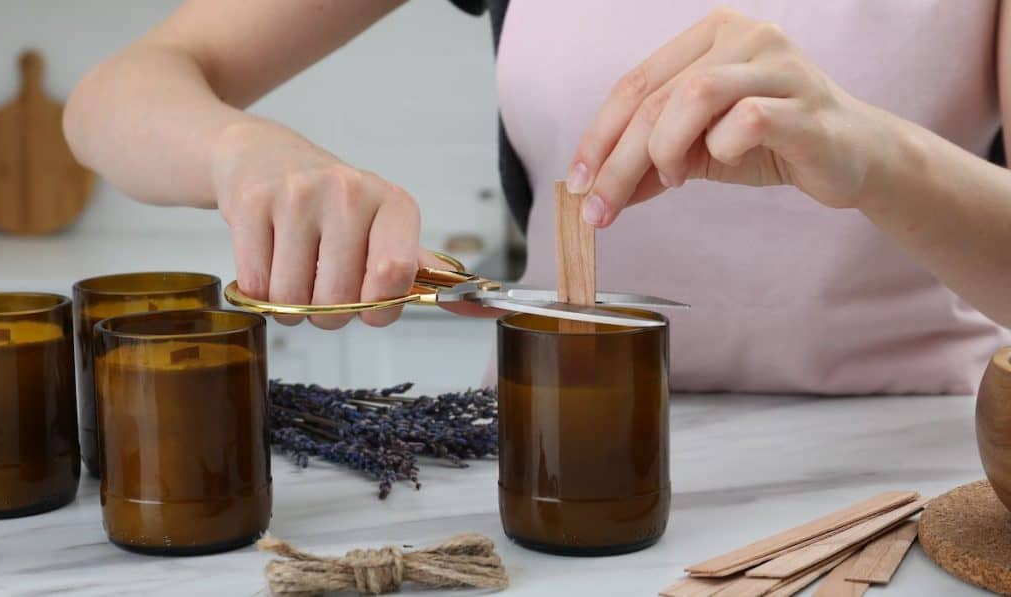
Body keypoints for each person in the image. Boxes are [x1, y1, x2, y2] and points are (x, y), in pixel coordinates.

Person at [64, 1, 1011, 394]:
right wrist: (242, 151)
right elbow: (119, 91)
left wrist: (882, 157)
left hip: (914, 473)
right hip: (550, 454)